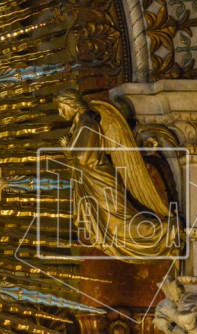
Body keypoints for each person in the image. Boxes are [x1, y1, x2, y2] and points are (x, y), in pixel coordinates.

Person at [56, 89, 179, 262]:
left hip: (100, 180)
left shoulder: (88, 123)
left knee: (119, 226)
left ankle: (168, 233)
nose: (61, 113)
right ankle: (166, 236)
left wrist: (68, 147)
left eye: (62, 108)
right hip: (92, 181)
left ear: (72, 104)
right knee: (113, 229)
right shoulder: (80, 125)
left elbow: (83, 156)